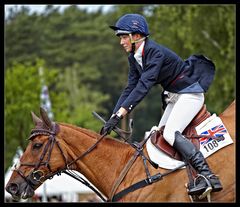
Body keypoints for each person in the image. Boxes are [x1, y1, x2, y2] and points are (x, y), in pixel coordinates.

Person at [100, 13, 222, 196]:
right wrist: (113, 116)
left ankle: (208, 176)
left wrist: (120, 115)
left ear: (137, 36)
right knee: (157, 135)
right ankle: (180, 177)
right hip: (175, 96)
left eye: (124, 37)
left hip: (190, 94)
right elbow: (130, 88)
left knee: (170, 134)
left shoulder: (154, 52)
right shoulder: (134, 57)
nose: (121, 42)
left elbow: (143, 87)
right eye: (121, 37)